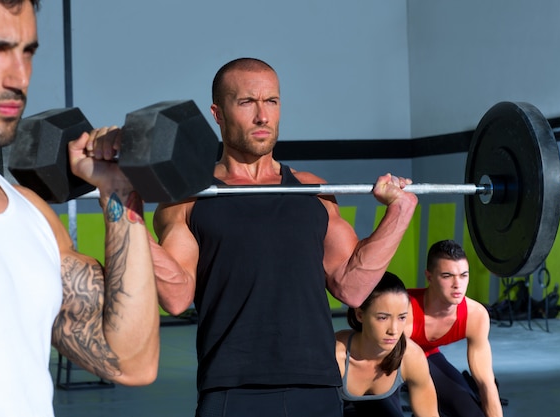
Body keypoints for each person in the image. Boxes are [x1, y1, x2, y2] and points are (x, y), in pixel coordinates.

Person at [150, 57, 419, 417]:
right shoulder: (188, 198)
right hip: (231, 386)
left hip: (317, 384)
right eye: (247, 102)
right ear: (217, 112)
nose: (263, 116)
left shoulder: (313, 191)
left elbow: (351, 287)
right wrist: (125, 213)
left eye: (272, 102)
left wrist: (399, 213)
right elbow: (177, 296)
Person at [0, 1, 160, 416]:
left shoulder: (31, 216)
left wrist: (118, 192)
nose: (19, 77)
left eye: (28, 51)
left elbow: (132, 362)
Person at [405, 240, 503, 417]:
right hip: (388, 361)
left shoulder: (475, 315)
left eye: (463, 275)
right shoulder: (403, 311)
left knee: (470, 412)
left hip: (427, 356)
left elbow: (486, 383)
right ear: (429, 277)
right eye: (447, 276)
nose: (457, 284)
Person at [335, 271, 439, 417]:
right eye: (383, 318)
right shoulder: (336, 355)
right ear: (359, 315)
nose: (394, 330)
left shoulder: (411, 356)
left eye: (402, 318)